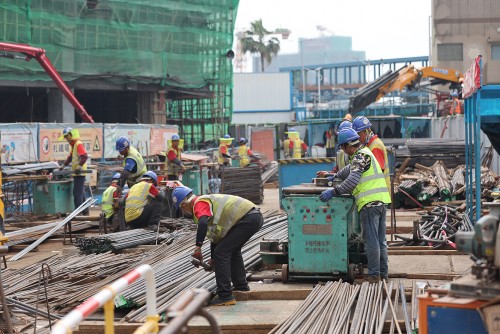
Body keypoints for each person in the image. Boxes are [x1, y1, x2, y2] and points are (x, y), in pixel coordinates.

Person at [319, 128, 391, 283]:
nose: (343, 151)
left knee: (371, 242)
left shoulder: (359, 157)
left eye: (342, 148)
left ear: (346, 146)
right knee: (380, 241)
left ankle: (373, 276)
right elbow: (349, 170)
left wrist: (334, 191)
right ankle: (383, 273)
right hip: (381, 201)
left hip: (370, 204)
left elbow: (352, 181)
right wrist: (334, 175)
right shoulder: (364, 152)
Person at [172, 186, 263, 306]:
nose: (184, 212)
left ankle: (225, 296)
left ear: (184, 205)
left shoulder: (199, 203)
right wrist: (213, 259)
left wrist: (198, 247)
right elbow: (216, 238)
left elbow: (203, 223)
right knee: (232, 251)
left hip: (247, 218)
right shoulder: (205, 204)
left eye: (182, 209)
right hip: (253, 217)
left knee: (222, 253)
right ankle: (241, 288)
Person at [352, 116, 390, 190]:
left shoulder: (375, 146)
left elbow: (378, 172)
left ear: (366, 131)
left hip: (379, 192)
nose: (358, 138)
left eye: (359, 134)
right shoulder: (369, 146)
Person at [59, 127, 89, 215]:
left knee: (77, 193)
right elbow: (71, 158)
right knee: (81, 193)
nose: (66, 139)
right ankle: (85, 212)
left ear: (71, 135)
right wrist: (63, 165)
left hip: (79, 172)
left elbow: (84, 156)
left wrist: (79, 166)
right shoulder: (73, 145)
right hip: (78, 173)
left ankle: (78, 213)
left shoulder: (78, 144)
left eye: (66, 136)